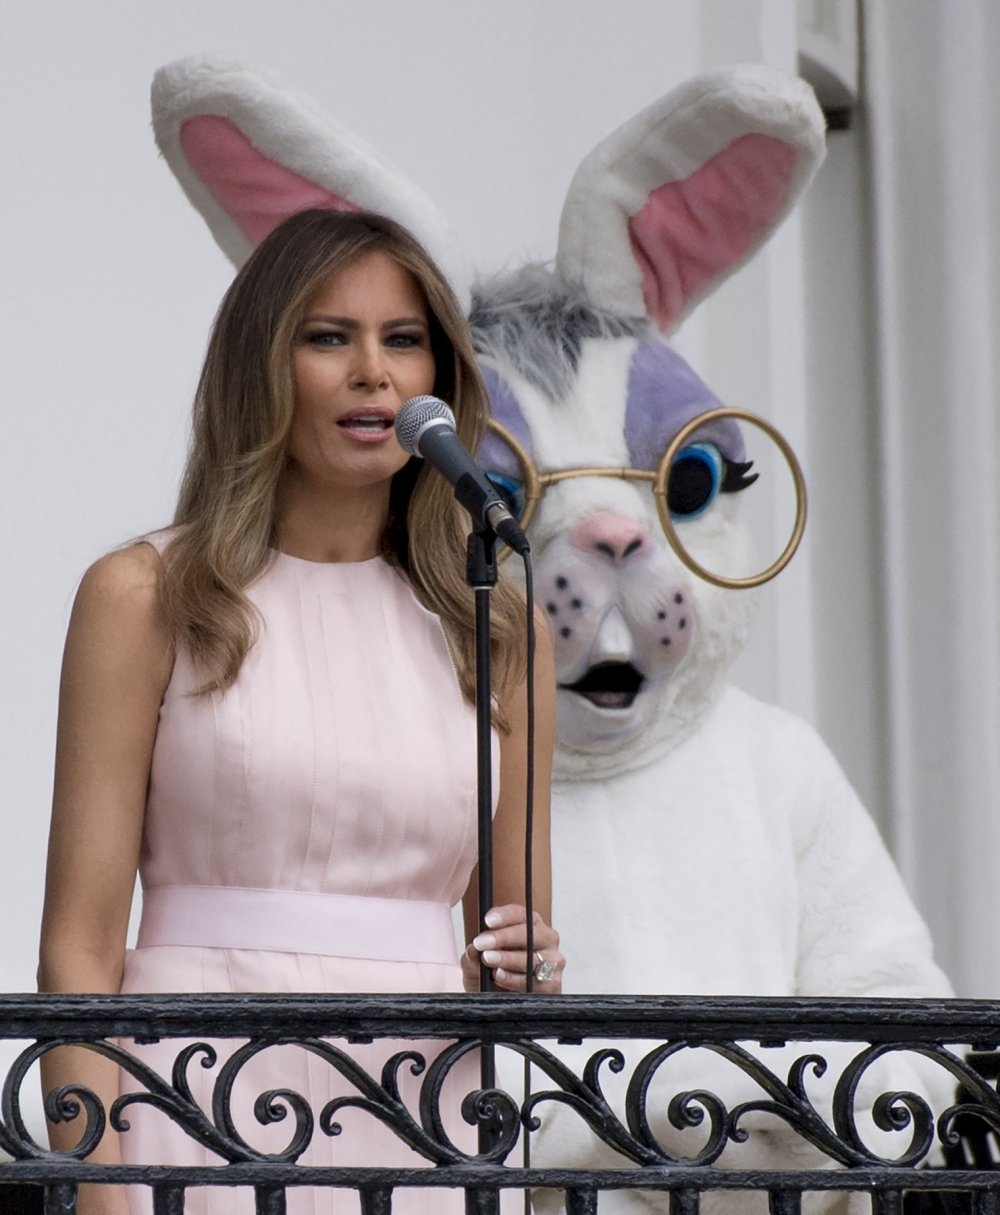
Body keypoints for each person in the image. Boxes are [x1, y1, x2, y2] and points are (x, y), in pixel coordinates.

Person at [36, 208, 561, 1215]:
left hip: (421, 1110)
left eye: (403, 340)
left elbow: (516, 940)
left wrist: (530, 963)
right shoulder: (144, 596)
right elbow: (79, 946)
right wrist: (95, 1191)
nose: (374, 373)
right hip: (192, 1091)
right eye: (329, 337)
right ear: (262, 367)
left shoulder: (497, 625)